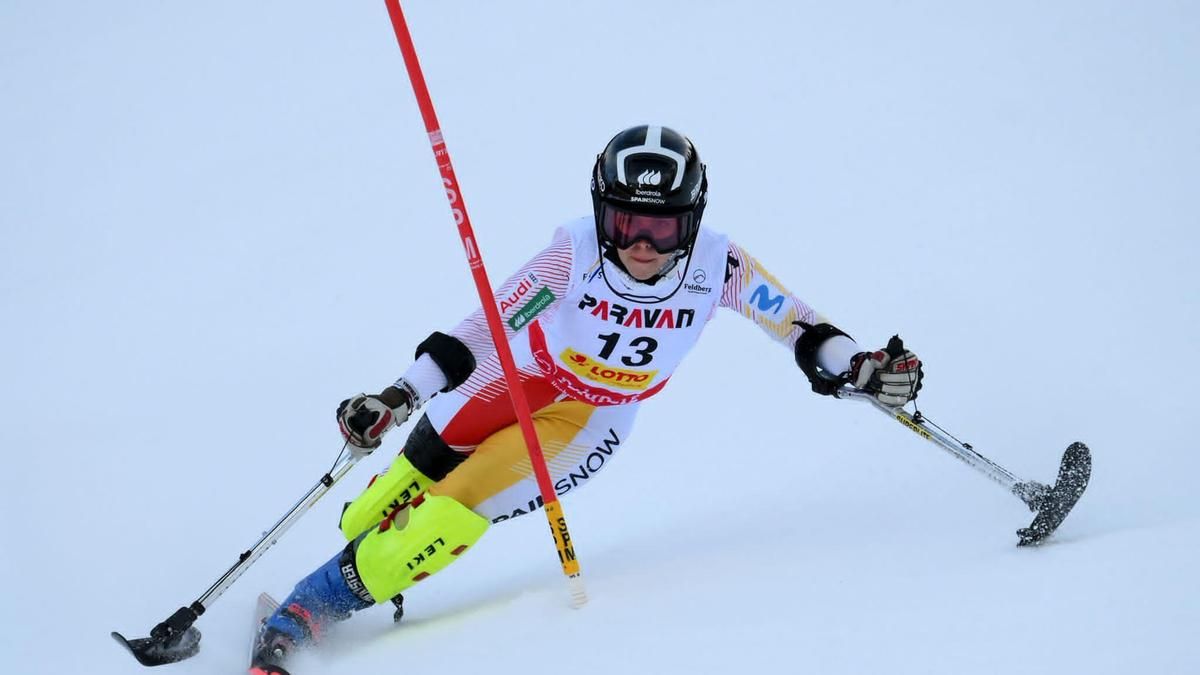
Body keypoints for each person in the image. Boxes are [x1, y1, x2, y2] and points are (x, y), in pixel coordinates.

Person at [249, 125, 923, 674]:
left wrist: (858, 366)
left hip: (589, 417)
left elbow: (800, 326)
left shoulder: (719, 266)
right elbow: (487, 327)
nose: (640, 244)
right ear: (603, 210)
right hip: (521, 378)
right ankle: (360, 559)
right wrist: (398, 396)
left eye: (661, 230)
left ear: (691, 222)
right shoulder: (574, 255)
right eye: (627, 221)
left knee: (455, 503)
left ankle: (305, 612)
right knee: (383, 501)